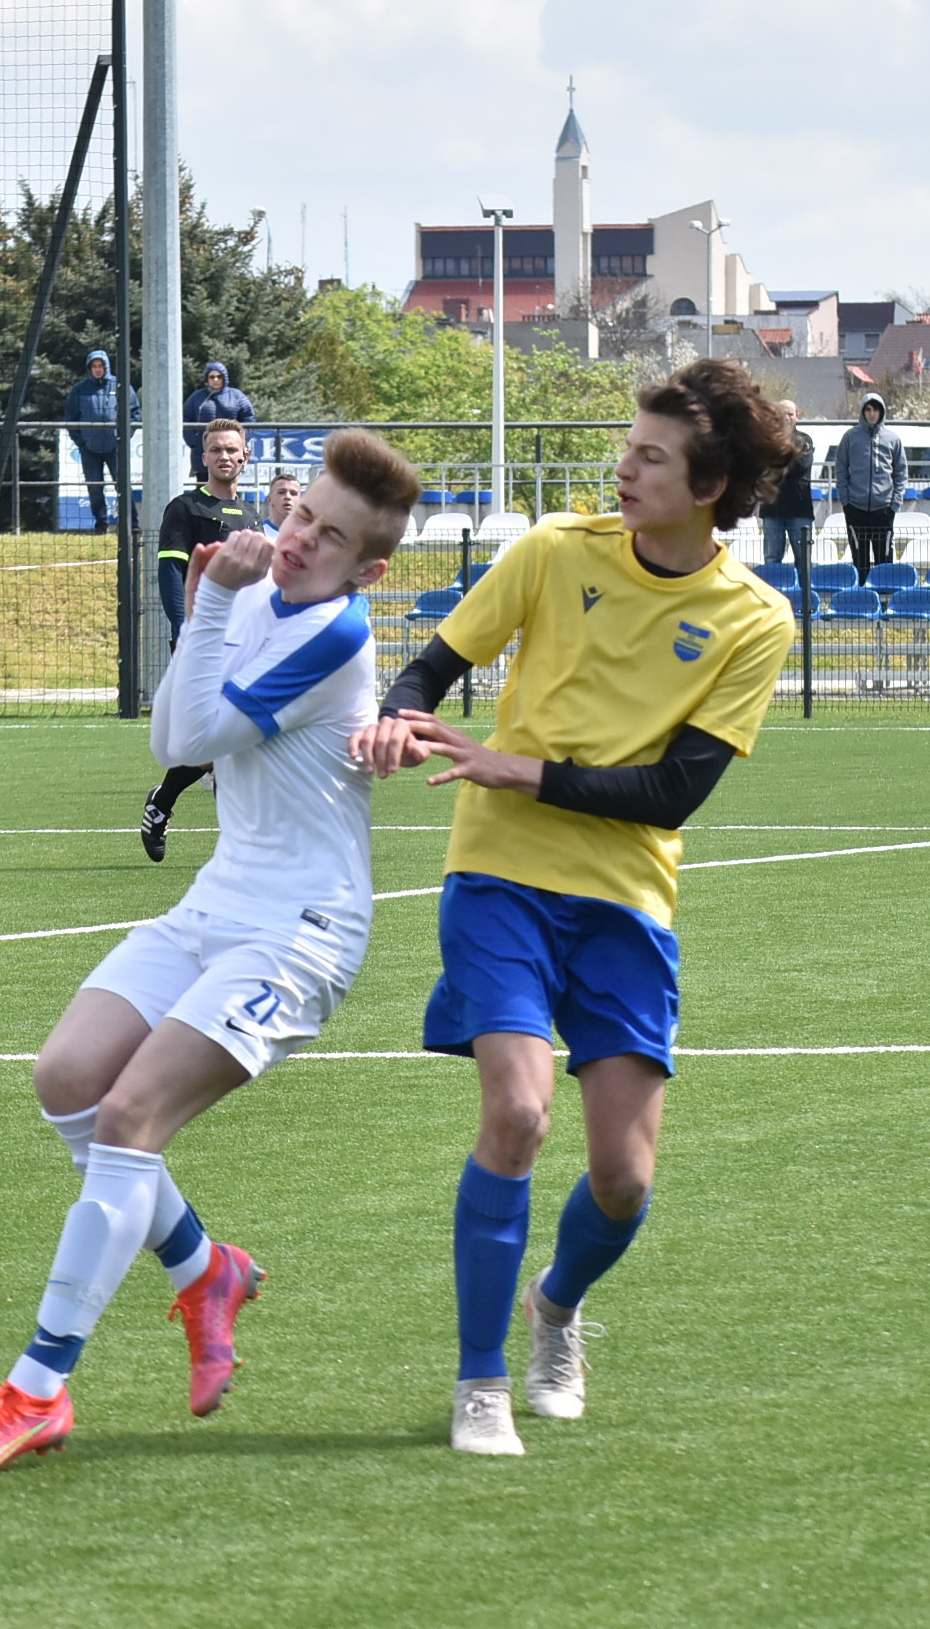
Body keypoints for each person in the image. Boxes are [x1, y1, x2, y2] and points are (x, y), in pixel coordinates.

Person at [0, 432, 424, 1475]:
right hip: (216, 901)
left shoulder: (336, 631)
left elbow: (179, 744)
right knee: (65, 1076)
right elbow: (181, 719)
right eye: (298, 516)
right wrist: (219, 603)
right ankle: (205, 1269)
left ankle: (35, 1390)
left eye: (327, 539)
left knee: (128, 1116)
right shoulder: (262, 592)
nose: (297, 542)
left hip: (302, 930)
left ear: (365, 570)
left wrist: (208, 603)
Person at [354, 360, 799, 1458]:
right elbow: (428, 669)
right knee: (515, 1112)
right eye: (630, 445)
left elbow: (674, 790)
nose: (624, 465)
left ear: (710, 484)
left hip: (624, 899)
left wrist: (523, 767)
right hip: (499, 874)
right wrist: (393, 720)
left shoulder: (753, 619)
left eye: (650, 454)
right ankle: (479, 1380)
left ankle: (554, 1306)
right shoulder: (553, 550)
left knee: (625, 1178)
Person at [142, 421, 257, 861]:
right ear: (203, 457)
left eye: (232, 449)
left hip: (245, 644)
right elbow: (172, 571)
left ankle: (161, 803)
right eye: (216, 450)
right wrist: (183, 629)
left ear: (245, 456)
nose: (224, 456)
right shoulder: (186, 508)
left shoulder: (250, 517)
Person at [834, 392, 903, 575]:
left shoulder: (893, 439)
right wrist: (846, 502)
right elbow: (840, 470)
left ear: (882, 412)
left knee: (884, 562)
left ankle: (884, 602)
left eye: (876, 410)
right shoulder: (850, 437)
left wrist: (894, 504)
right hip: (855, 509)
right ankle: (863, 601)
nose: (872, 414)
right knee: (860, 562)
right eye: (868, 409)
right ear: (863, 412)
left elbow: (901, 474)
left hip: (884, 510)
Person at [63, 350, 131, 534]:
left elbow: (135, 412)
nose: (98, 369)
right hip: (89, 449)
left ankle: (131, 525)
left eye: (101, 366)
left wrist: (124, 438)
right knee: (95, 489)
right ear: (89, 368)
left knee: (123, 486)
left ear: (106, 367)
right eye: (94, 366)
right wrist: (81, 441)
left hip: (115, 448)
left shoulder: (120, 385)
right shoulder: (79, 389)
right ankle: (101, 525)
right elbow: (71, 417)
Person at [758, 400, 815, 567]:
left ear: (797, 416)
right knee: (771, 559)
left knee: (803, 560)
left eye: (790, 414)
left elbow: (801, 465)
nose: (786, 418)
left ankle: (804, 593)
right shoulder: (766, 440)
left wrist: (777, 463)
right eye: (782, 413)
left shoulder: (805, 440)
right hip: (772, 509)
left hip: (799, 509)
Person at [181, 359, 254, 478]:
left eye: (219, 377)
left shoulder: (237, 396)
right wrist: (194, 442)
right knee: (204, 489)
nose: (215, 380)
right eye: (212, 377)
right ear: (206, 379)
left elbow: (249, 419)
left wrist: (241, 441)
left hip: (230, 450)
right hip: (204, 451)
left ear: (224, 378)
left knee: (229, 485)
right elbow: (185, 419)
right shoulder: (196, 397)